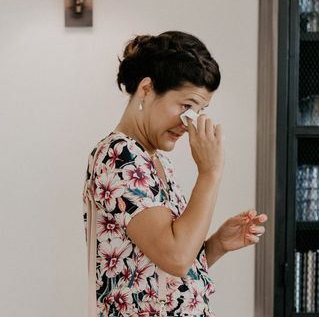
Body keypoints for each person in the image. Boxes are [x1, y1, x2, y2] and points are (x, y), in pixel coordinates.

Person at [83, 31, 267, 316]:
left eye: (199, 110)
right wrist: (210, 172)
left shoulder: (154, 159)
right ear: (146, 90)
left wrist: (217, 244)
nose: (189, 123)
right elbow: (177, 257)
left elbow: (161, 271)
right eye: (186, 106)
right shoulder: (120, 155)